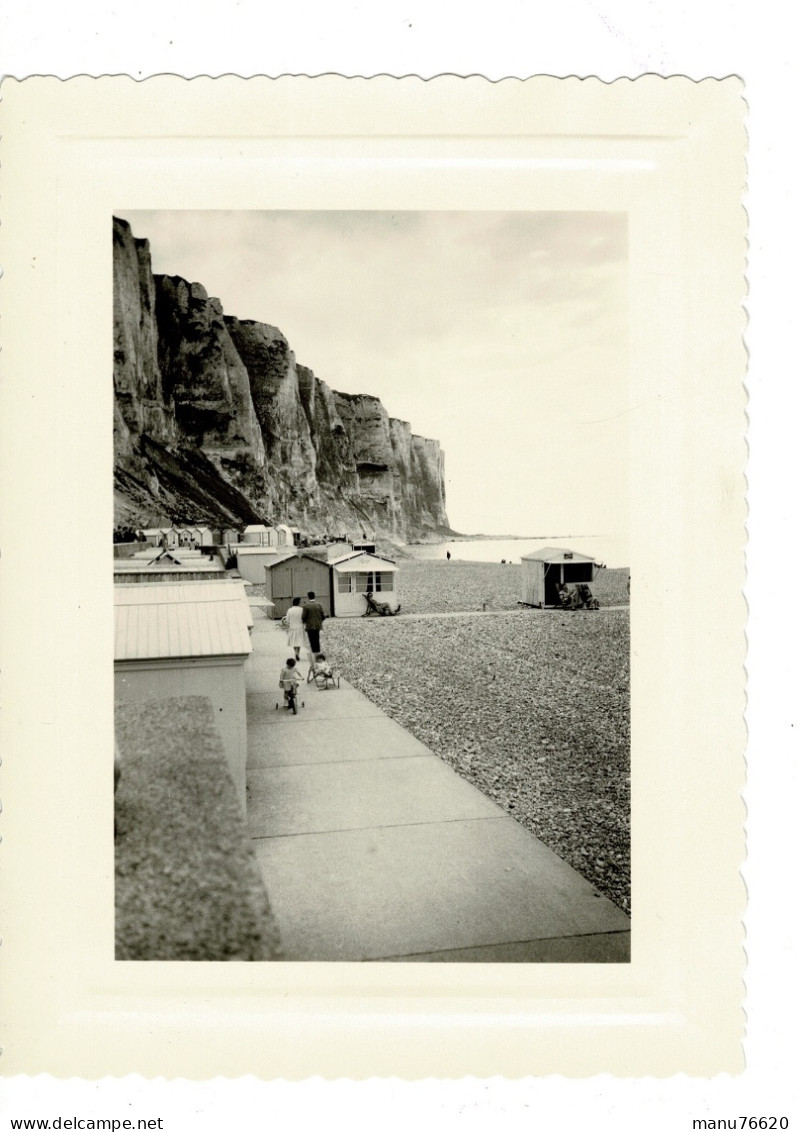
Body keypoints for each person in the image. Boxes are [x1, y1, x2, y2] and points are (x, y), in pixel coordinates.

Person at [302, 590, 326, 655]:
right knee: (317, 638)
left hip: (309, 626)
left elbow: (304, 617)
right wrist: (319, 621)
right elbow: (323, 616)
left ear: (308, 597)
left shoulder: (306, 606)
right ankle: (317, 652)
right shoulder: (319, 605)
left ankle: (314, 652)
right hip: (317, 625)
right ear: (314, 596)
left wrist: (305, 622)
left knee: (311, 640)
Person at [284, 596, 305, 660]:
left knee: (293, 642)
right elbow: (304, 619)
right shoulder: (301, 610)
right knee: (299, 642)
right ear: (298, 603)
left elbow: (287, 620)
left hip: (292, 628)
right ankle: (297, 653)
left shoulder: (290, 610)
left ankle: (295, 652)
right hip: (300, 628)